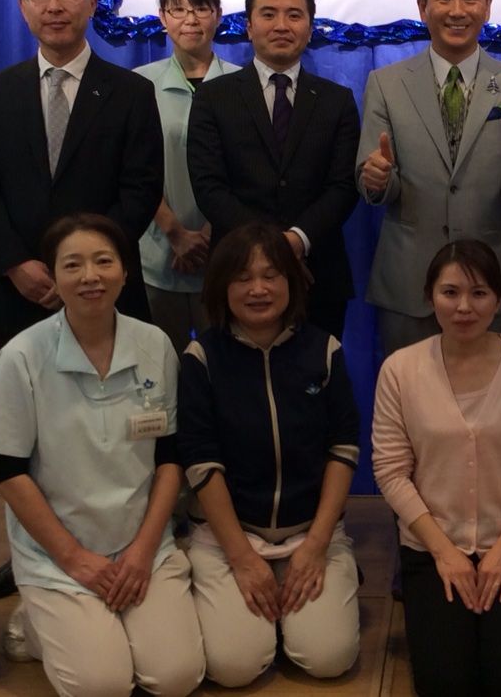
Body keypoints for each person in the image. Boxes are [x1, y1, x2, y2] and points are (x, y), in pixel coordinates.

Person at [0, 213, 205, 697]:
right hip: (58, 553)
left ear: (125, 270)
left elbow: (170, 457)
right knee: (103, 685)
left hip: (141, 544)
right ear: (53, 276)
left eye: (103, 261)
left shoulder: (155, 344)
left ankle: (99, 622)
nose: (90, 276)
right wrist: (74, 558)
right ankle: (36, 621)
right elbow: (8, 471)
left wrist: (143, 549)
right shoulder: (23, 355)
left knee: (176, 678)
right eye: (73, 265)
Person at [372, 240, 501, 696]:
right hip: (431, 548)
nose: (464, 307)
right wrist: (444, 553)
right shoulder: (400, 369)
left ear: (499, 298)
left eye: (478, 293)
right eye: (450, 292)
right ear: (429, 296)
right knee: (444, 684)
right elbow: (392, 472)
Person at [178, 223, 361, 686]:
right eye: (242, 278)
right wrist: (242, 558)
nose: (258, 289)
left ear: (291, 281)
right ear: (222, 287)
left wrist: (316, 545)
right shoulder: (201, 357)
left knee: (329, 658)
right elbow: (201, 462)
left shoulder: (324, 349)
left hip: (309, 534)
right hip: (229, 539)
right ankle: (260, 609)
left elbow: (343, 448)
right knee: (234, 667)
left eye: (270, 275)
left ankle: (296, 605)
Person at [0, 0, 164, 348]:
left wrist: (91, 265)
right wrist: (15, 263)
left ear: (91, 3)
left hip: (105, 287)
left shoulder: (132, 93)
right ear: (23, 7)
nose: (53, 6)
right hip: (19, 290)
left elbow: (142, 188)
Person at [357, 0, 501, 355]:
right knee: (408, 391)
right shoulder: (386, 84)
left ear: (487, 6)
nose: (457, 11)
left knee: (489, 392)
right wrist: (376, 180)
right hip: (409, 282)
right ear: (423, 6)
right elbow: (376, 184)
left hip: (487, 281)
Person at [188, 0, 360, 339]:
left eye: (294, 15)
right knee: (236, 373)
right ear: (249, 26)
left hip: (319, 274)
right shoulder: (213, 97)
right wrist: (269, 248)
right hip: (236, 272)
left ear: (310, 28)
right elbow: (209, 187)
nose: (281, 25)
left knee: (317, 371)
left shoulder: (337, 101)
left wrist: (297, 239)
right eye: (269, 14)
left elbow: (344, 187)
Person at [136, 0, 239, 353]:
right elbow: (134, 169)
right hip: (158, 257)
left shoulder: (242, 85)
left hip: (225, 255)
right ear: (162, 18)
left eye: (201, 7)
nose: (190, 19)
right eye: (178, 9)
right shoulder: (139, 86)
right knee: (158, 368)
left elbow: (248, 170)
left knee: (224, 367)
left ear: (218, 15)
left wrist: (211, 233)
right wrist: (176, 233)